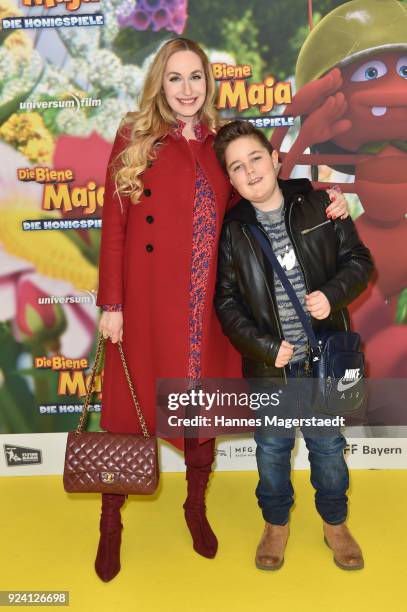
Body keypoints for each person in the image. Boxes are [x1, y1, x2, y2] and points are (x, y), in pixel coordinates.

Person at [96, 38, 349, 582]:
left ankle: (195, 507)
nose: (186, 89)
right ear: (160, 85)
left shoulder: (218, 143)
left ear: (208, 83)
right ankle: (110, 522)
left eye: (196, 78)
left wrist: (324, 192)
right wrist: (111, 303)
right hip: (144, 305)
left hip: (204, 305)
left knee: (199, 411)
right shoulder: (133, 137)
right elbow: (113, 227)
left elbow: (263, 188)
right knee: (125, 415)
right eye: (175, 78)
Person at [213, 120, 373, 571]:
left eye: (256, 158)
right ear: (231, 179)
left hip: (323, 365)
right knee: (272, 450)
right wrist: (264, 346)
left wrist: (333, 293)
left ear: (276, 159)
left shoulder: (320, 204)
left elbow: (359, 261)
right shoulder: (233, 231)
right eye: (237, 167)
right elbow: (225, 303)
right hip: (271, 371)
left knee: (327, 450)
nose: (250, 171)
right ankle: (276, 523)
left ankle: (335, 523)